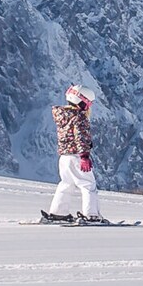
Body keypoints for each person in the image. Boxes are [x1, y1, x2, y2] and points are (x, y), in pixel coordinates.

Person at [41, 84, 105, 224]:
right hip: (77, 156)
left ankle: (58, 212)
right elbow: (80, 137)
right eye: (88, 103)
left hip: (64, 157)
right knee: (88, 185)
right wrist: (84, 156)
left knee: (66, 184)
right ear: (81, 102)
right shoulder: (79, 117)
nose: (89, 107)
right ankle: (91, 215)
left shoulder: (62, 116)